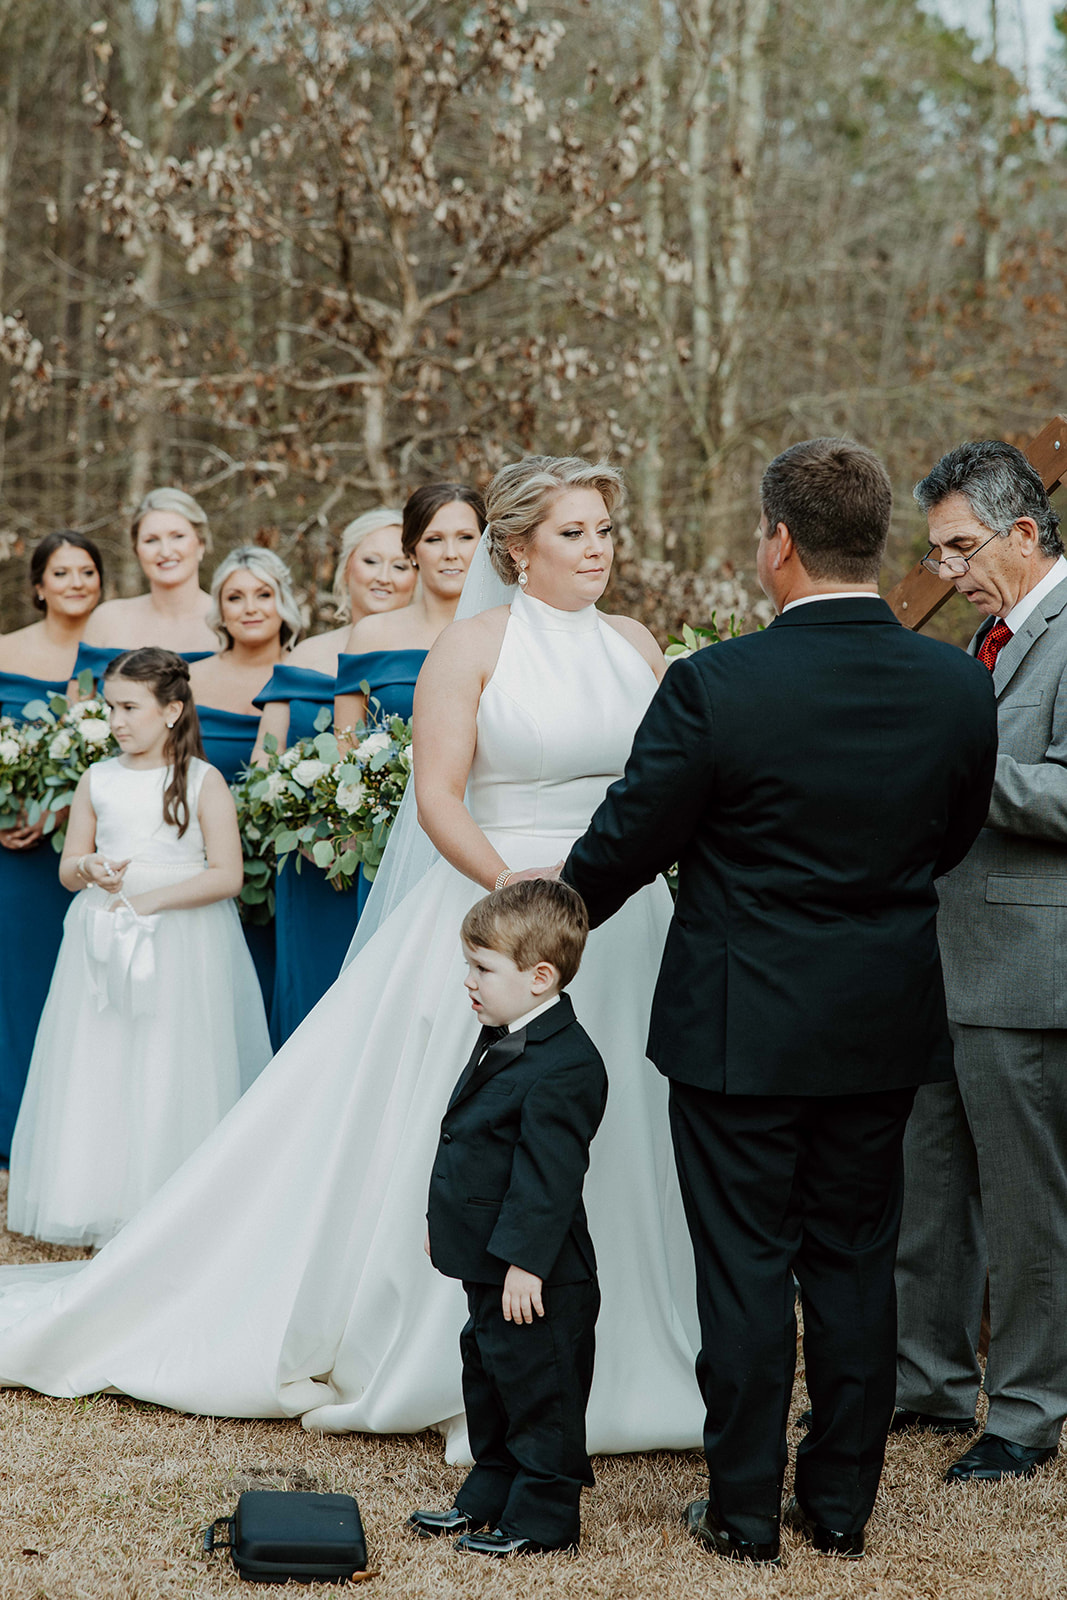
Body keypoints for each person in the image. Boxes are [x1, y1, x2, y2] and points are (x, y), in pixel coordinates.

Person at [0, 457, 701, 1466]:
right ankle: (452, 1347)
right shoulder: (471, 646)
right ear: (518, 549)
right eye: (573, 533)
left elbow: (661, 782)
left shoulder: (636, 643)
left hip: (624, 917)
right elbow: (439, 797)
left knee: (626, 1125)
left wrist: (613, 883)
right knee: (464, 1130)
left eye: (602, 531)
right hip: (500, 913)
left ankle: (637, 1341)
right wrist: (525, 906)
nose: (596, 550)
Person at [561, 438, 999, 1564]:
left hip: (736, 1024)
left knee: (743, 1266)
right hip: (878, 1019)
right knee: (856, 1259)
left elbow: (625, 844)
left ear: (777, 545)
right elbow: (946, 838)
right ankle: (842, 1505)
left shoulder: (714, 685)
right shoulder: (954, 679)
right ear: (876, 545)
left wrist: (547, 920)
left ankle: (745, 1507)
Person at [895, 440, 1067, 1483]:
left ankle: (1025, 1409)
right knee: (927, 1185)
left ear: (1019, 531)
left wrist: (953, 768)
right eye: (936, 550)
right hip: (934, 957)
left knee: (1023, 1202)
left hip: (1023, 963)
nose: (946, 569)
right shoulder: (986, 636)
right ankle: (920, 1383)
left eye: (959, 547)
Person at [6, 649, 271, 1248]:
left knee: (171, 1060)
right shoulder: (96, 778)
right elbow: (68, 867)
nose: (117, 721)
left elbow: (227, 875)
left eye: (130, 707)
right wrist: (89, 867)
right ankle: (102, 1195)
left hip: (181, 937)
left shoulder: (204, 782)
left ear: (172, 710)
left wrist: (150, 904)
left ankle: (170, 1197)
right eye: (111, 708)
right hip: (102, 935)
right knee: (105, 1058)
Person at [412, 879, 606, 1558]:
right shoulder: (503, 1030)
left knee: (540, 1389)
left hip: (538, 1273)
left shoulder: (567, 1063)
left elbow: (548, 1177)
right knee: (488, 1369)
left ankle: (546, 1518)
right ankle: (492, 1488)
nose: (467, 980)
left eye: (482, 968)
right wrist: (448, 1220)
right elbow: (471, 1138)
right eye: (468, 965)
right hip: (486, 1256)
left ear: (539, 977)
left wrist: (526, 1262)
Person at [251, 508, 418, 1043]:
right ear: (344, 568)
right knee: (313, 1006)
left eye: (401, 563)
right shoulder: (307, 653)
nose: (384, 576)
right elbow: (265, 765)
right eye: (371, 560)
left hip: (404, 859)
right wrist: (297, 821)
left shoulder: (435, 652)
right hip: (309, 862)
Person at [0, 532, 104, 1159]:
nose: (74, 582)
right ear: (38, 585)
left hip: (86, 845)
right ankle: (11, 1127)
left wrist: (68, 808)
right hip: (13, 849)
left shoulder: (114, 655)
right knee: (16, 981)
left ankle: (69, 1134)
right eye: (60, 572)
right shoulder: (4, 651)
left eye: (86, 571)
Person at [190, 547, 304, 1007]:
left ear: (285, 602)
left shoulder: (311, 671)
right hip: (201, 859)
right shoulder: (186, 679)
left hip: (291, 863)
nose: (251, 608)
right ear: (219, 608)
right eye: (235, 597)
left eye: (264, 594)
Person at [333, 482, 485, 747]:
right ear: (412, 551)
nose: (451, 554)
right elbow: (345, 745)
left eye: (465, 537)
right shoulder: (371, 634)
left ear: (484, 543)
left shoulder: (511, 630)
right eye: (434, 539)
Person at [74, 489, 217, 686]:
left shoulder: (228, 621)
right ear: (137, 550)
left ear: (200, 544)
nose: (165, 551)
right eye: (151, 540)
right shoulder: (107, 620)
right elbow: (75, 707)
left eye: (178, 536)